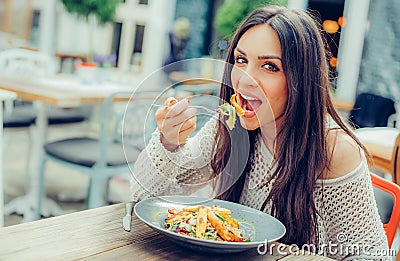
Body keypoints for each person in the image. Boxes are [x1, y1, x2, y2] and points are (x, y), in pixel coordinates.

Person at [131, 5, 389, 259]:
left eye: (269, 66)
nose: (243, 80)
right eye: (241, 60)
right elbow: (143, 198)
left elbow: (372, 256)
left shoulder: (333, 150)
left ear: (301, 79)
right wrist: (168, 143)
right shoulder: (230, 125)